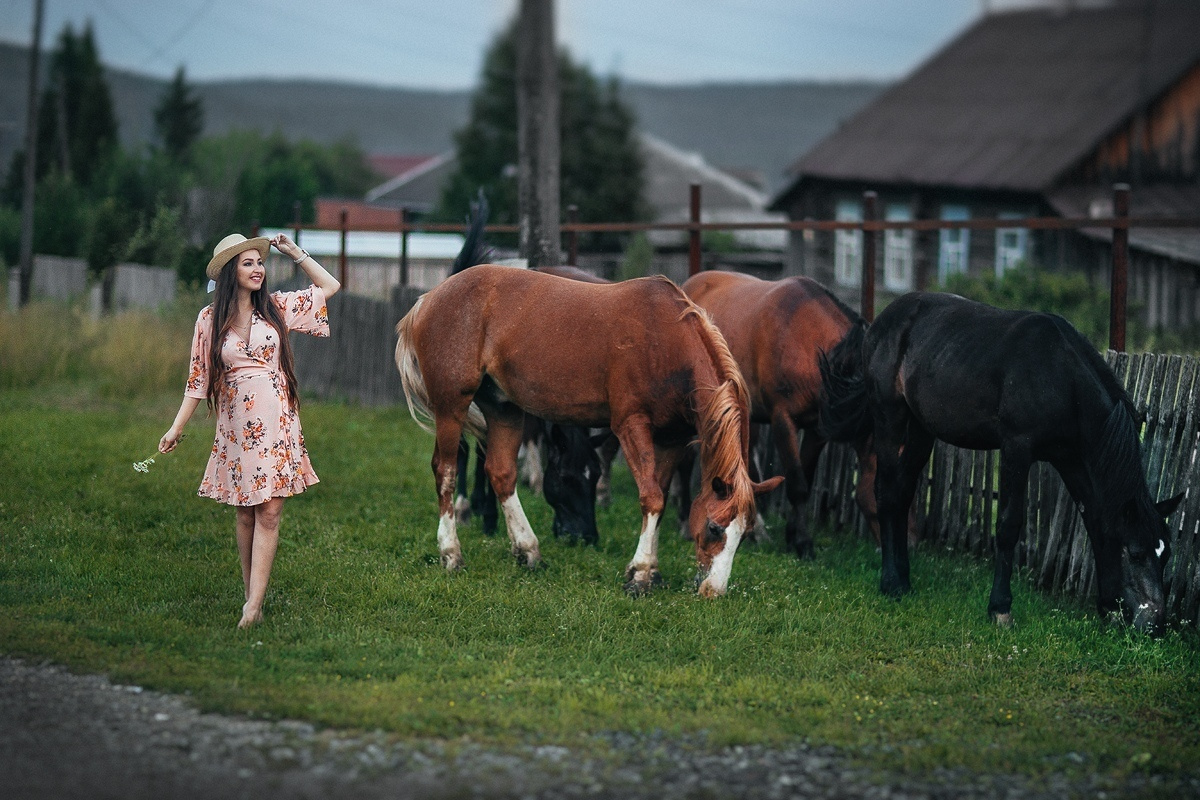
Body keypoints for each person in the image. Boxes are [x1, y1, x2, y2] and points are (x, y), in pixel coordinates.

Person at [160, 232, 340, 628]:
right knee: (245, 514)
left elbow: (329, 286)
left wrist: (294, 253)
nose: (258, 269)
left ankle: (252, 608)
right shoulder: (209, 320)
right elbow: (198, 381)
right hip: (236, 426)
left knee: (270, 511)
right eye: (248, 263)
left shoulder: (276, 308)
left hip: (277, 422)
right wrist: (175, 429)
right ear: (230, 272)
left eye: (260, 262)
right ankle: (250, 595)